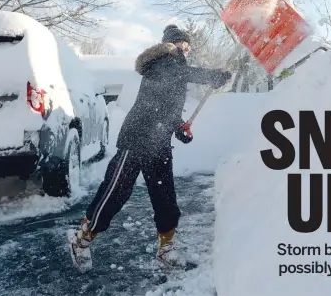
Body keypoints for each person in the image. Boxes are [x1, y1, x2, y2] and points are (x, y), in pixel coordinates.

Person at [68, 24, 233, 272]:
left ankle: (166, 248)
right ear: (168, 44)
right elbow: (176, 73)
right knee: (115, 193)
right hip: (136, 139)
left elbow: (167, 109)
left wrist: (179, 128)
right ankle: (82, 239)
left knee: (165, 199)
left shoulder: (176, 69)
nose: (184, 49)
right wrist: (210, 75)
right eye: (180, 44)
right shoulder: (160, 63)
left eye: (187, 46)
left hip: (159, 144)